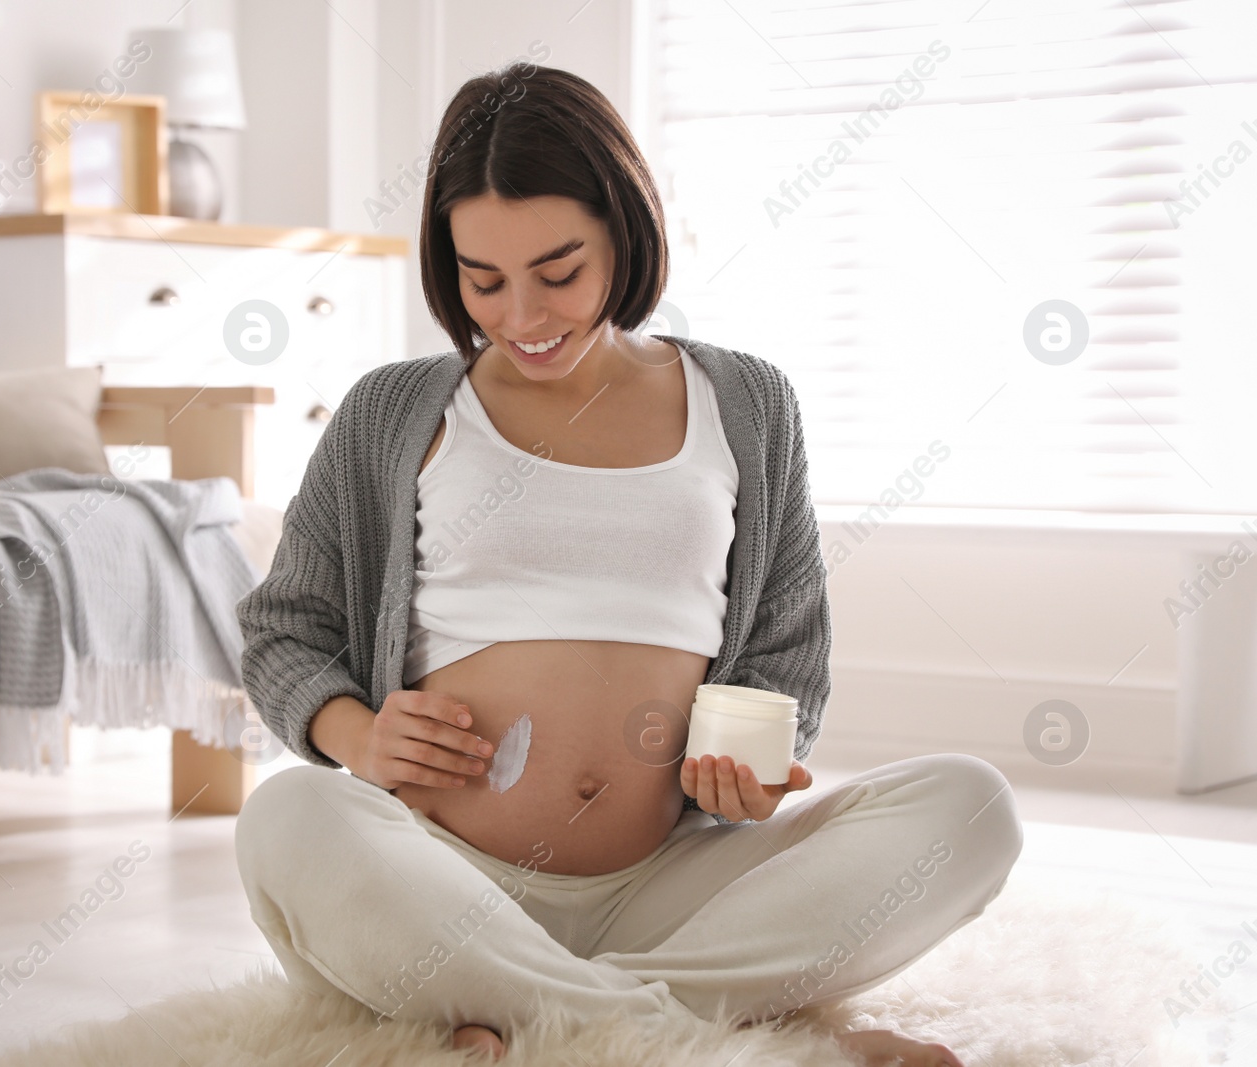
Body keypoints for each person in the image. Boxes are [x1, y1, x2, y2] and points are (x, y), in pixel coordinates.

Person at [234, 61, 1022, 1064]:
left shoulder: (746, 402)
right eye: (484, 280)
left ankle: (534, 1019)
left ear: (624, 229)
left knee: (970, 802)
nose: (520, 316)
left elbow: (783, 653)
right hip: (442, 881)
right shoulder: (395, 412)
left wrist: (750, 774)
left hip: (680, 884)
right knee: (290, 816)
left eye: (557, 272)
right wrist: (359, 736)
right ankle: (699, 1034)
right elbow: (284, 628)